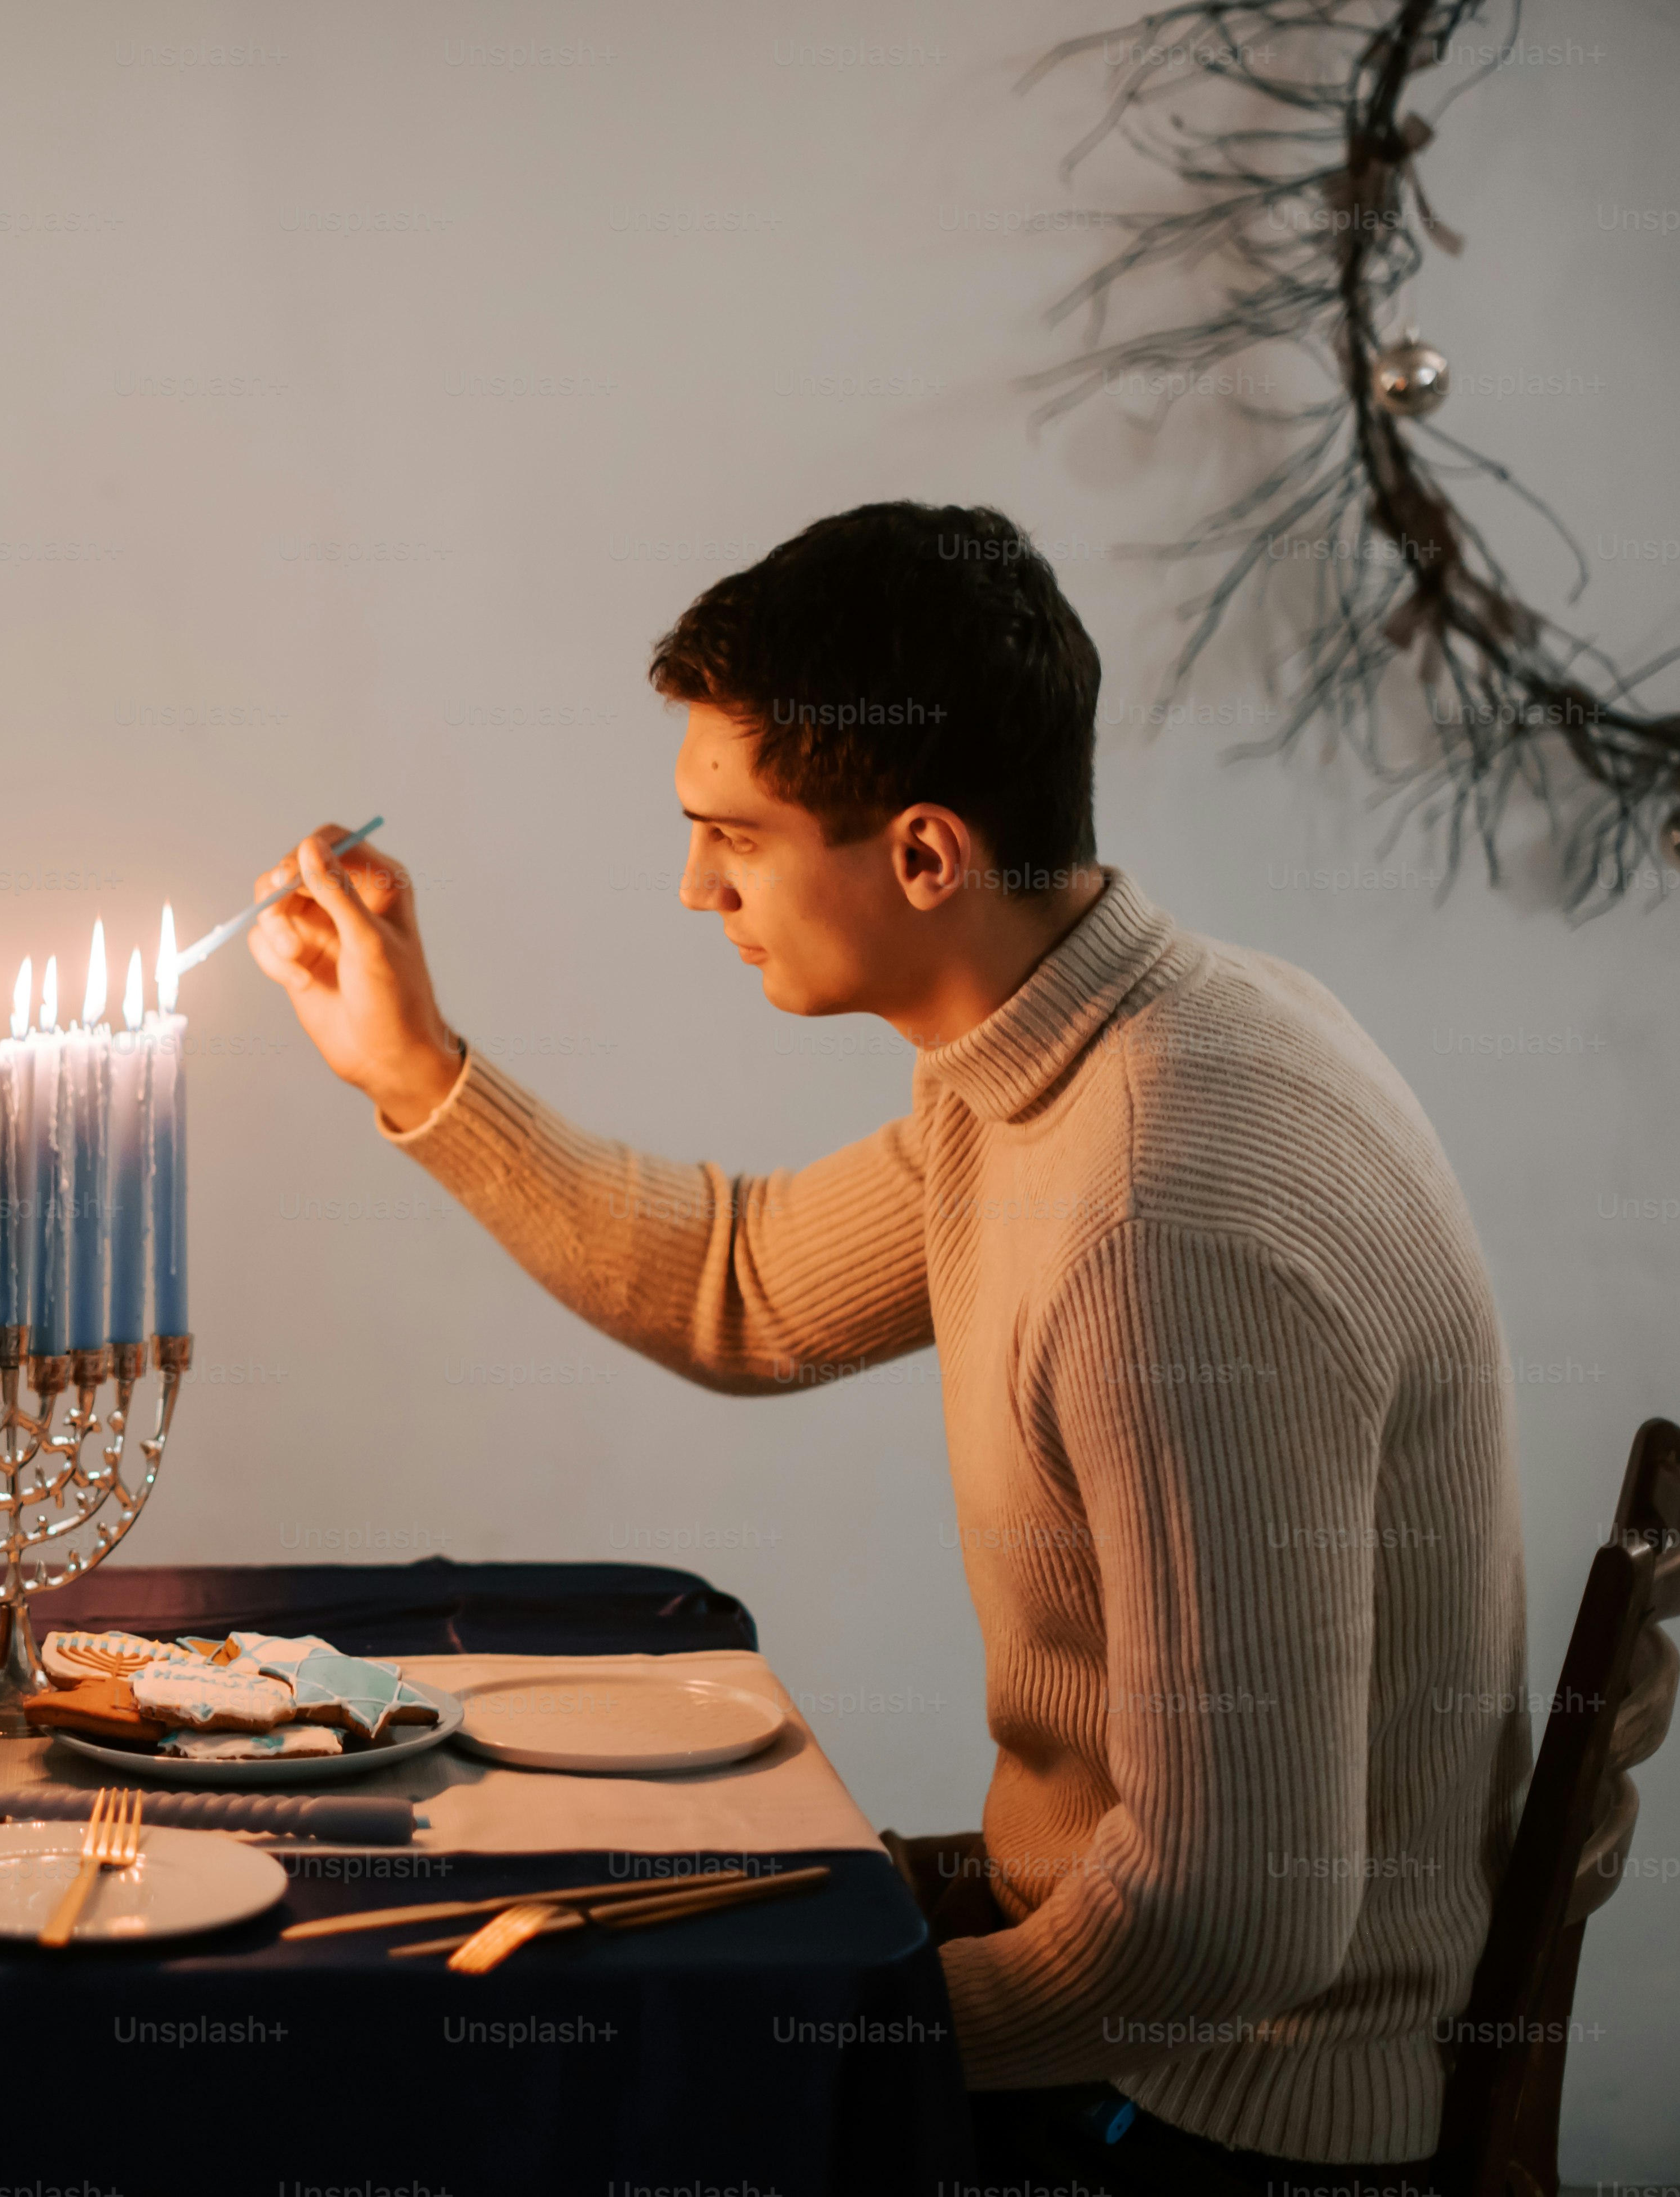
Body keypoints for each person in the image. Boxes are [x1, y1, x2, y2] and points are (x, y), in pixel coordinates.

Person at [250, 502, 1526, 2187]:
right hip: (1109, 2004)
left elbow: (1236, 1924)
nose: (693, 885)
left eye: (734, 836)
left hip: (1207, 2116)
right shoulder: (1093, 1044)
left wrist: (817, 2035)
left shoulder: (1164, 1215)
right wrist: (417, 1074)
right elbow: (748, 1284)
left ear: (922, 856)